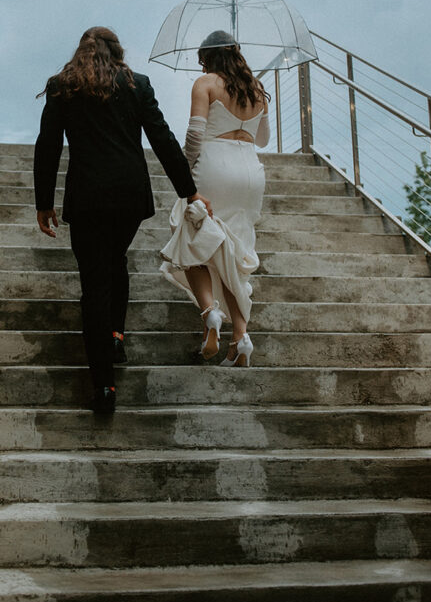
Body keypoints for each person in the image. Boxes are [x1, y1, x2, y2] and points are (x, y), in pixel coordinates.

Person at [34, 26, 211, 415]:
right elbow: (162, 139)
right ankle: (115, 335)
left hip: (87, 198)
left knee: (94, 285)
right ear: (117, 51)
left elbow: (47, 144)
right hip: (129, 196)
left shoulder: (62, 85)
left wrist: (43, 202)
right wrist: (189, 190)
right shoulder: (137, 85)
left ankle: (104, 387)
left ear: (81, 51)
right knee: (115, 260)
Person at [160, 30, 270, 365]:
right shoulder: (257, 89)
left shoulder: (205, 83)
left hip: (214, 167)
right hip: (251, 173)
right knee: (234, 255)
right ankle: (241, 338)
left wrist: (186, 170)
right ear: (236, 52)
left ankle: (210, 312)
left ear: (206, 58)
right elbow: (263, 138)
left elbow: (195, 133)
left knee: (193, 239)